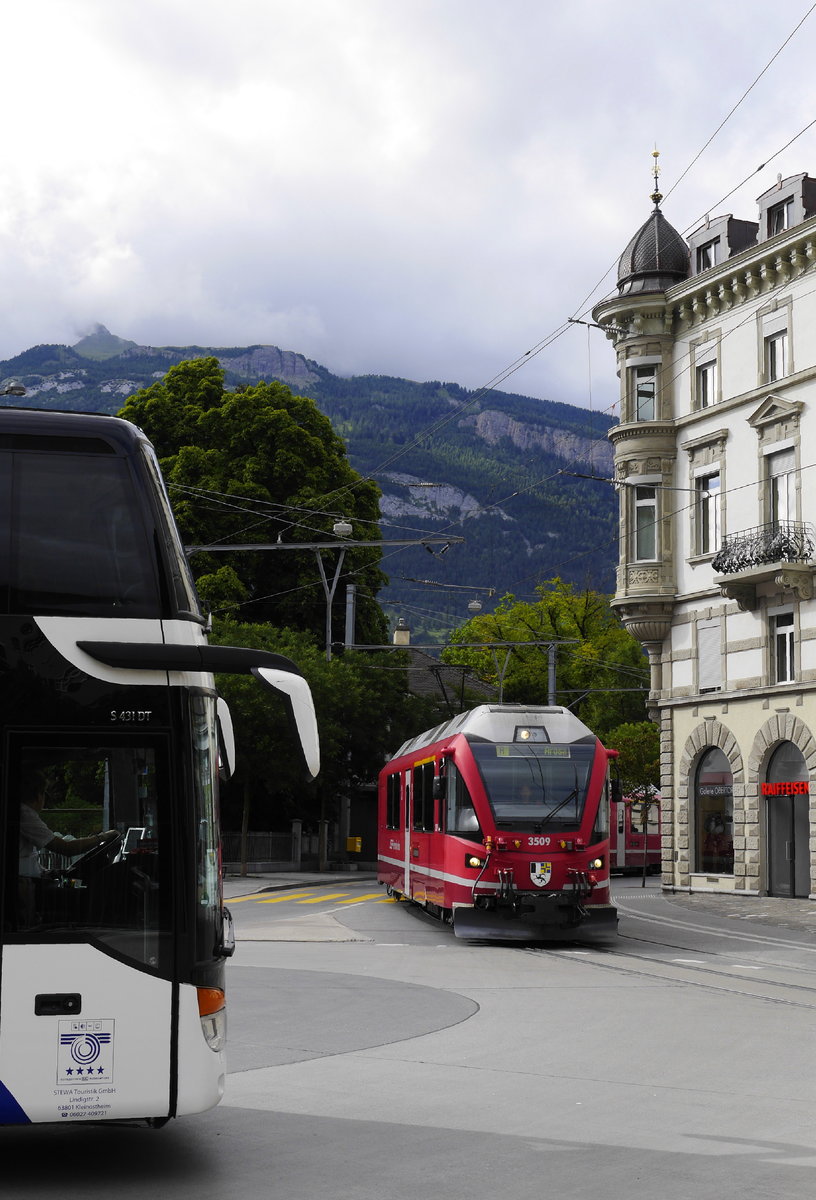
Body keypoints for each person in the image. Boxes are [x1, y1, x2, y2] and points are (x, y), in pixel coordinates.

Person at [18, 768, 119, 925]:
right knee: (90, 900)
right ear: (38, 794)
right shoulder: (24, 814)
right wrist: (103, 837)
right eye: (44, 793)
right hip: (26, 887)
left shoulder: (24, 814)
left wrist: (48, 872)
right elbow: (67, 848)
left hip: (34, 882)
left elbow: (26, 856)